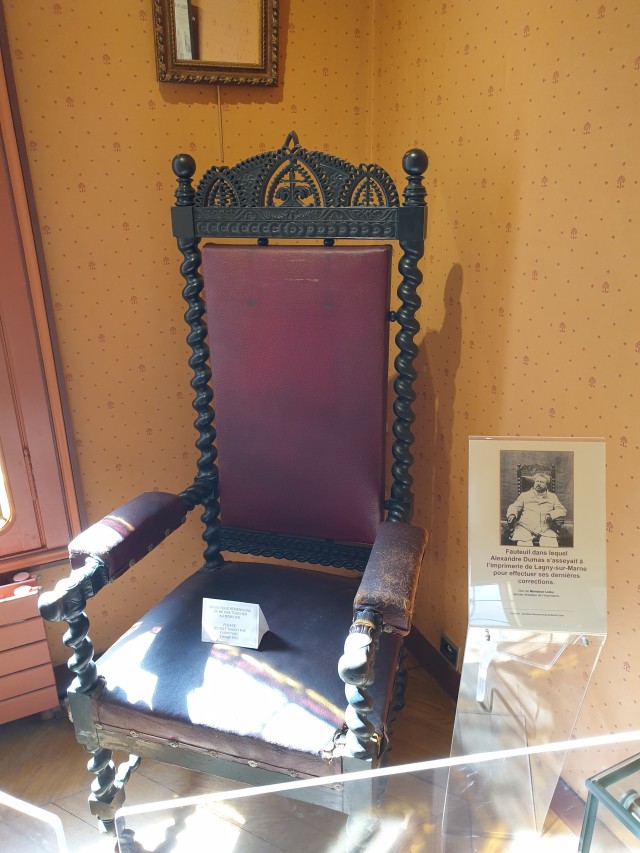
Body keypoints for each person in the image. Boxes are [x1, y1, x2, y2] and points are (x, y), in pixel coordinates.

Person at [506, 472, 566, 547]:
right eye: (537, 481)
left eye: (542, 482)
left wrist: (551, 514)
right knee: (524, 547)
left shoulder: (552, 497)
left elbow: (562, 510)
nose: (538, 484)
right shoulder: (525, 495)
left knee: (550, 547)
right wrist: (512, 514)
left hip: (545, 528)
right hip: (525, 527)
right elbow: (514, 506)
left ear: (546, 485)